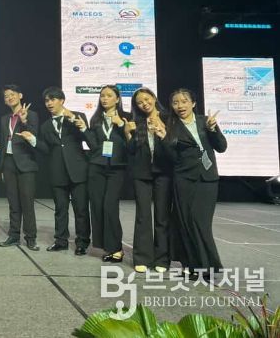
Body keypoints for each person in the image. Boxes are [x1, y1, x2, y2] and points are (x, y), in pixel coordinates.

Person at [160, 88, 226, 278]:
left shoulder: (206, 121)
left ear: (193, 103)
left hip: (208, 179)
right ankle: (192, 265)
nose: (180, 106)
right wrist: (164, 139)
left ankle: (206, 265)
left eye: (184, 101)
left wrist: (213, 129)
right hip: (184, 179)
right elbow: (172, 158)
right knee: (186, 222)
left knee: (200, 222)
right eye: (175, 102)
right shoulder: (171, 126)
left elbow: (221, 147)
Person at [18, 87, 90, 255]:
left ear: (62, 100)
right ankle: (61, 241)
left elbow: (86, 137)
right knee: (60, 209)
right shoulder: (46, 126)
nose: (49, 103)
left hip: (78, 170)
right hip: (57, 171)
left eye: (53, 99)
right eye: (46, 100)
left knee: (81, 210)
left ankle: (82, 242)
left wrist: (74, 119)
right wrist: (33, 140)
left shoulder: (77, 116)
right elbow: (46, 149)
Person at [126, 87, 172, 273]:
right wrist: (128, 133)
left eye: (146, 99)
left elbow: (174, 144)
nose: (144, 104)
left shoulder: (169, 118)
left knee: (162, 216)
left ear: (154, 97)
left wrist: (162, 127)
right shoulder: (136, 121)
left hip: (164, 172)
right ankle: (142, 257)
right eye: (139, 102)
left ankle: (162, 259)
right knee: (143, 215)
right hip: (142, 173)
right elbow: (131, 150)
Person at [84, 85, 132, 263]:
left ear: (117, 99)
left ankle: (116, 248)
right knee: (97, 206)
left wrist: (121, 124)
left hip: (117, 167)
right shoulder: (96, 119)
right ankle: (106, 247)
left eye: (109, 95)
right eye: (102, 95)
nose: (104, 99)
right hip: (97, 166)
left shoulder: (127, 117)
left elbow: (132, 143)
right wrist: (84, 131)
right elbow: (94, 146)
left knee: (110, 206)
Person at [0, 85, 40, 251]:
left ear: (20, 95)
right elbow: (3, 143)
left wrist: (24, 121)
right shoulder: (4, 118)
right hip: (8, 162)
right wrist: (2, 167)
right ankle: (14, 235)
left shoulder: (31, 114)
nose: (9, 98)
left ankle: (31, 238)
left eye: (12, 94)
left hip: (25, 163)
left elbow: (33, 136)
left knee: (27, 202)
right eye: (6, 96)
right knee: (13, 203)